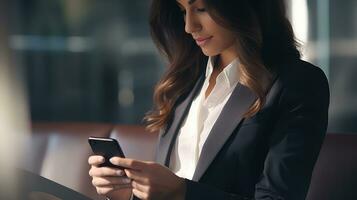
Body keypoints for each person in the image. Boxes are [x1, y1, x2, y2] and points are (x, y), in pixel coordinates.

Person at [88, 0, 330, 199]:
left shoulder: (296, 83)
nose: (189, 26)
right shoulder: (183, 82)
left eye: (201, 8)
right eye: (183, 11)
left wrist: (182, 192)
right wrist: (128, 193)